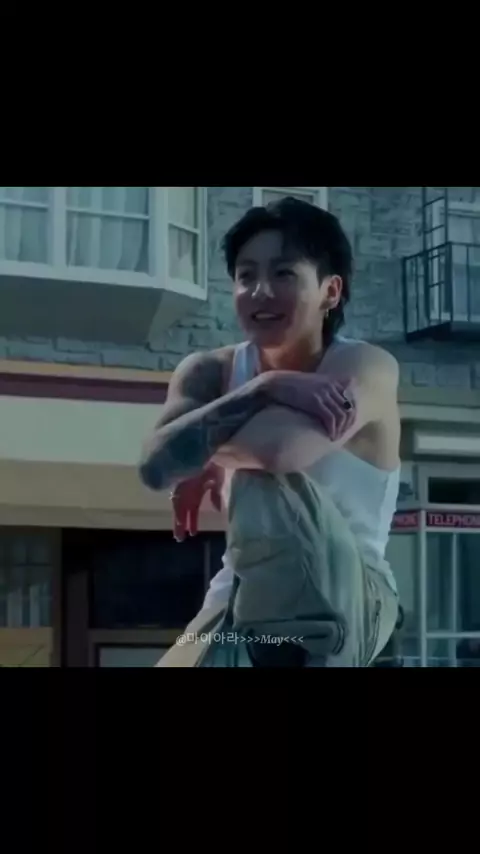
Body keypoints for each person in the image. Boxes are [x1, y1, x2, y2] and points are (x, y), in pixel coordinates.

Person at [139, 197, 400, 667]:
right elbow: (154, 467)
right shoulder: (209, 371)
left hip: (354, 595)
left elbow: (279, 452)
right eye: (246, 276)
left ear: (330, 291)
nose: (261, 291)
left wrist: (203, 450)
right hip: (243, 589)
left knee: (261, 479)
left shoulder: (365, 367)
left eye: (283, 274)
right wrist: (267, 386)